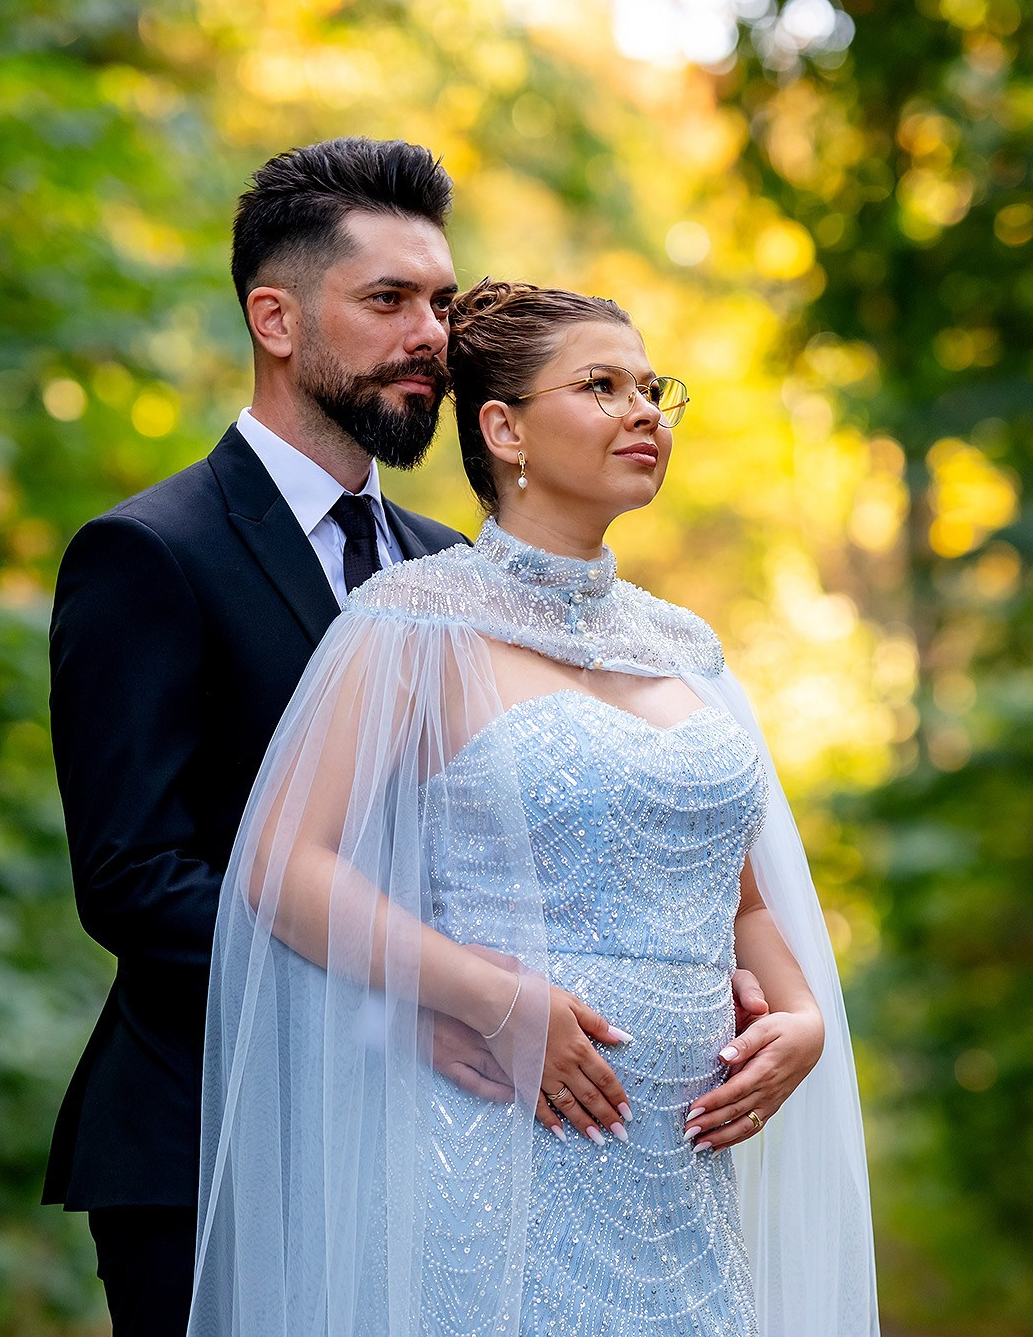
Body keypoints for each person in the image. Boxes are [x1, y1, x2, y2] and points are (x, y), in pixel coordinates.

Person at [46, 140, 785, 1335]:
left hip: (475, 1147)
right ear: (275, 320)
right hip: (213, 1141)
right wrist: (419, 1000)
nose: (430, 336)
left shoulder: (455, 571)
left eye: (440, 302)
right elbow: (134, 878)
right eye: (388, 301)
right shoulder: (150, 554)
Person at [190, 279, 876, 1334]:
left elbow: (737, 898)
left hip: (681, 1181)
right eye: (601, 386)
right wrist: (495, 999)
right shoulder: (413, 625)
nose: (643, 412)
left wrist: (801, 1018)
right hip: (490, 1158)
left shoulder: (684, 647)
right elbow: (285, 864)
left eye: (652, 389)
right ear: (502, 429)